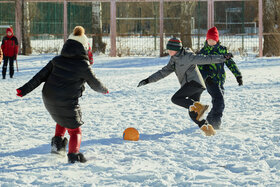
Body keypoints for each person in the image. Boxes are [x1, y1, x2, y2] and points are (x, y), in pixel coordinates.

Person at [16, 26, 108, 163]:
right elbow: (95, 83)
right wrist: (104, 89)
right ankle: (73, 154)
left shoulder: (56, 60)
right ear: (84, 47)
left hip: (48, 99)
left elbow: (39, 77)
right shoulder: (83, 65)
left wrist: (23, 90)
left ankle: (57, 144)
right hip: (66, 101)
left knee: (62, 118)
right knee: (75, 131)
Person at [137, 37, 232, 136]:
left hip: (195, 83)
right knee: (193, 113)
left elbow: (206, 59)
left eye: (171, 50)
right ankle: (207, 128)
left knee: (176, 98)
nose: (169, 51)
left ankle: (199, 107)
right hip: (192, 86)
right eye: (168, 49)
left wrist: (223, 57)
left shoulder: (188, 56)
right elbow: (163, 72)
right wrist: (148, 80)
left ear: (177, 49)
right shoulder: (173, 60)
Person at [198, 27, 243, 130]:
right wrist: (206, 77)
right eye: (209, 40)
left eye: (213, 40)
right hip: (210, 81)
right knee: (220, 101)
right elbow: (199, 68)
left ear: (217, 40)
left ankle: (209, 120)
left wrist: (238, 75)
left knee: (217, 101)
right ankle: (216, 123)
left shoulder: (222, 50)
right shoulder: (204, 51)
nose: (211, 42)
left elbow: (230, 63)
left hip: (220, 80)